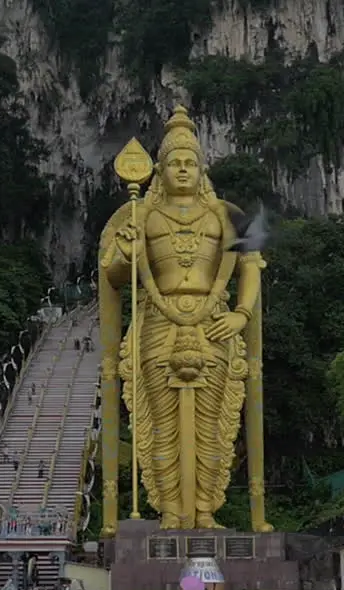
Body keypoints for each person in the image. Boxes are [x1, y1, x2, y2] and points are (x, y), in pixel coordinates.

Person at [97, 106, 269, 532]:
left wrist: (241, 315)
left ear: (202, 168)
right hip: (158, 322)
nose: (183, 170)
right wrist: (126, 250)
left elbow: (251, 266)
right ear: (159, 169)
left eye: (190, 162)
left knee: (212, 425)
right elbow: (115, 275)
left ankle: (206, 510)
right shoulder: (142, 216)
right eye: (175, 162)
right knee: (161, 423)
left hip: (214, 322)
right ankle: (170, 510)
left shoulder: (224, 217)